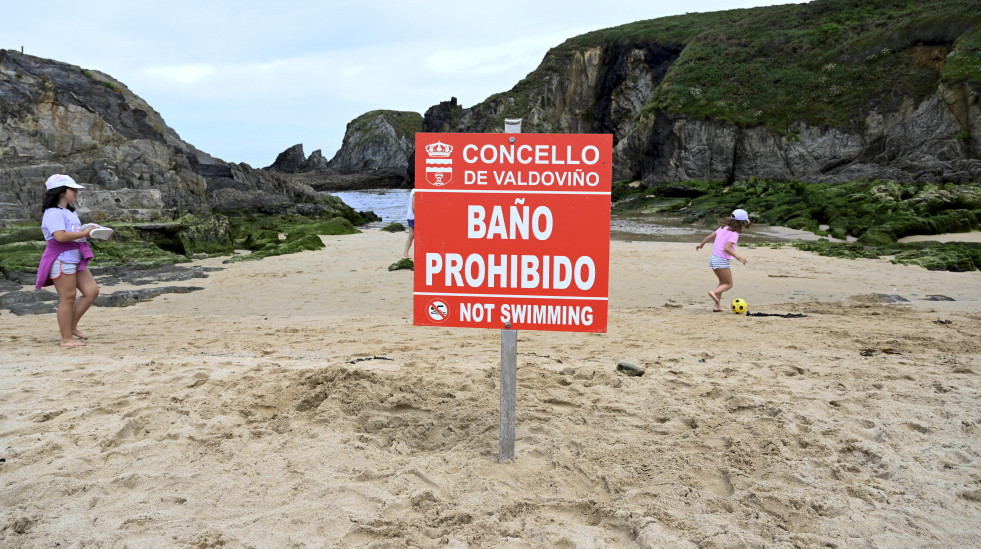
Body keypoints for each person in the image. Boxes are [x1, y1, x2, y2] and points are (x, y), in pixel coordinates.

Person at [36, 174, 100, 347]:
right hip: (61, 258)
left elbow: (73, 234)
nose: (76, 192)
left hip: (75, 257)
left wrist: (92, 234)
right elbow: (60, 236)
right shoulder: (53, 213)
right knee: (68, 298)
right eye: (73, 189)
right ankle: (66, 338)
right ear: (61, 192)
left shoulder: (69, 211)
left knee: (91, 291)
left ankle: (71, 327)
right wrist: (85, 233)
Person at [695, 208, 751, 312]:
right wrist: (739, 257)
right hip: (721, 261)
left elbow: (709, 237)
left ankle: (716, 307)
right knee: (729, 284)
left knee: (722, 282)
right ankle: (714, 292)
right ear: (742, 222)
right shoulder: (734, 234)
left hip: (713, 259)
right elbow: (727, 248)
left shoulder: (723, 228)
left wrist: (701, 245)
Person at [402, 188, 415, 259]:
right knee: (413, 235)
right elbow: (414, 206)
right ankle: (405, 253)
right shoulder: (416, 191)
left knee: (411, 235)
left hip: (410, 216)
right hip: (413, 217)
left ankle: (405, 253)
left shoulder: (413, 190)